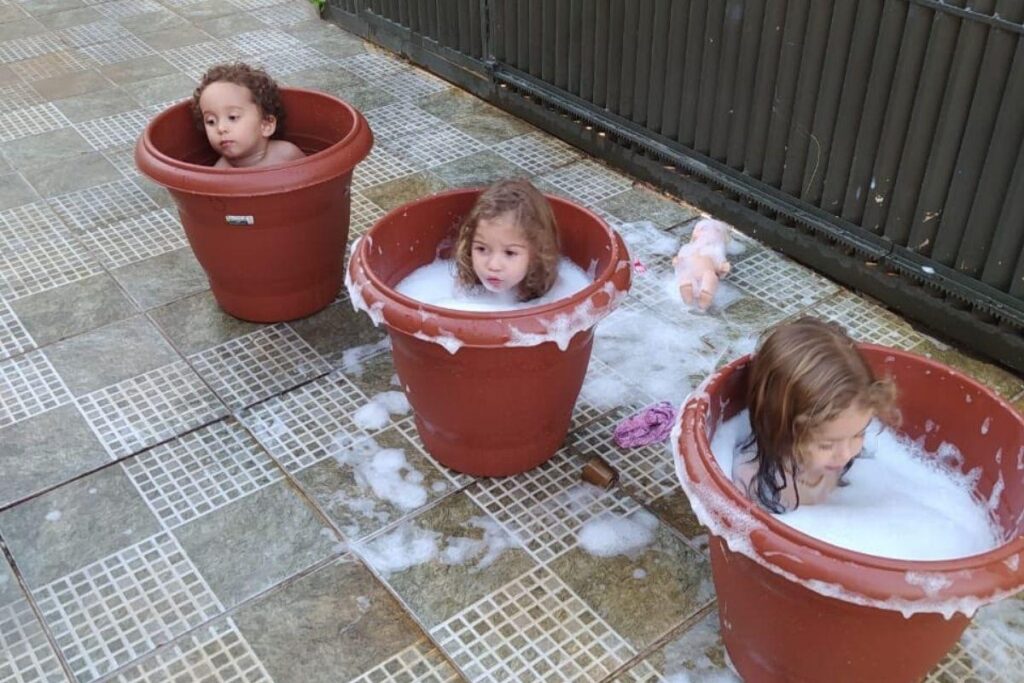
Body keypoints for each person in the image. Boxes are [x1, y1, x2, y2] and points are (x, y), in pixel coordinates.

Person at [732, 317, 899, 513]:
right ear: (781, 428)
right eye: (826, 445)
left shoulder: (843, 458)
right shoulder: (754, 483)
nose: (846, 454)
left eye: (859, 434)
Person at [453, 178, 561, 301]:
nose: (493, 265)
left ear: (536, 254)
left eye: (509, 253)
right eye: (481, 249)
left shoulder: (551, 289)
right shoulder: (467, 284)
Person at [191, 63, 305, 169]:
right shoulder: (219, 172)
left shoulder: (286, 155)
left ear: (266, 125)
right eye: (211, 121)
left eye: (232, 117)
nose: (221, 128)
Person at [673, 217, 732, 311]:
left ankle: (705, 296)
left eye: (717, 230)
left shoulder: (716, 251)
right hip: (689, 269)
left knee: (710, 277)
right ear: (695, 234)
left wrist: (722, 268)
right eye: (703, 229)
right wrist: (677, 261)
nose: (709, 232)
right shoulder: (688, 247)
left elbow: (718, 267)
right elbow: (681, 258)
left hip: (707, 272)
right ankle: (687, 293)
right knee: (685, 274)